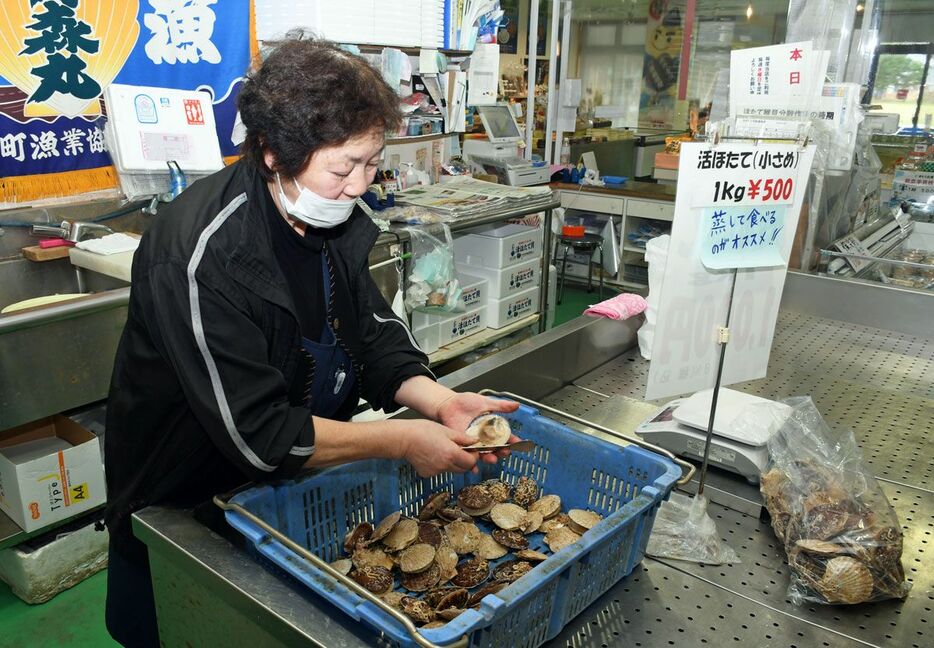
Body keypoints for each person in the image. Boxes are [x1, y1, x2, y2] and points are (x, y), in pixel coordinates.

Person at [103, 38, 518, 647]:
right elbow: (261, 433)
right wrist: (402, 439)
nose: (359, 186)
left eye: (372, 164)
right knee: (186, 629)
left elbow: (370, 334)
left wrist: (437, 402)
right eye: (342, 167)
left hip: (294, 484)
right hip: (183, 501)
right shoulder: (197, 257)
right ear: (274, 153)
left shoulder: (330, 220)